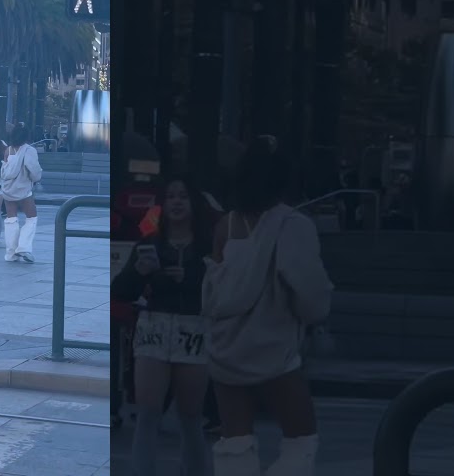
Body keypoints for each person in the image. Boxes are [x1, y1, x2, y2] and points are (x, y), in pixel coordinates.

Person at [203, 136, 333, 476]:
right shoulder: (293, 225)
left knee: (235, 444)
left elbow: (212, 290)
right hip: (274, 349)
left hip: (226, 347)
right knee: (300, 442)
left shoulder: (226, 225)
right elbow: (311, 296)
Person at [115, 176, 215, 476]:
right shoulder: (149, 244)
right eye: (171, 197)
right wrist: (139, 271)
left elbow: (220, 290)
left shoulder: (207, 246)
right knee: (147, 413)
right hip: (154, 328)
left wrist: (191, 279)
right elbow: (121, 290)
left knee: (191, 416)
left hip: (193, 329)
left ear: (193, 203)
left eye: (183, 196)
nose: (176, 202)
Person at [0, 125, 43, 263]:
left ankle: (11, 253)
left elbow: (4, 169)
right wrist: (36, 178)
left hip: (8, 188)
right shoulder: (29, 150)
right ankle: (24, 247)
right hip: (23, 188)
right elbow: (34, 171)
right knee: (31, 217)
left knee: (11, 219)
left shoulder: (8, 150)